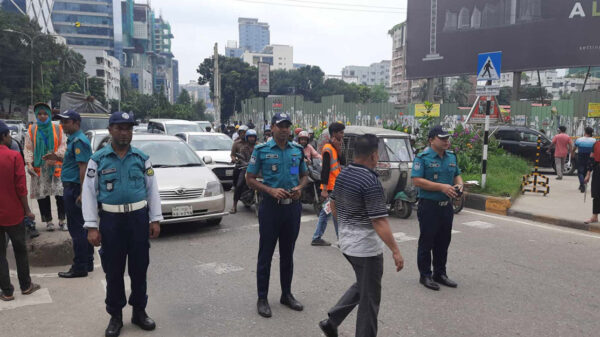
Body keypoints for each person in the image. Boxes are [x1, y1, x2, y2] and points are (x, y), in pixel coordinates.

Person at [82, 111, 162, 337]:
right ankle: (115, 316)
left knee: (139, 268)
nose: (125, 132)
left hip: (138, 219)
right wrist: (91, 226)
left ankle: (139, 311)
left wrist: (155, 219)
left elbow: (152, 190)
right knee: (113, 271)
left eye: (129, 128)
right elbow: (88, 194)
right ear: (110, 130)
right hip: (111, 221)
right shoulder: (98, 159)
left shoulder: (141, 158)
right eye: (120, 128)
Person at [318, 134, 404, 337]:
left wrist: (346, 229)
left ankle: (332, 322)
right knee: (369, 301)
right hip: (366, 251)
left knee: (363, 285)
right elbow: (379, 221)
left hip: (347, 245)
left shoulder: (343, 174)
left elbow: (333, 204)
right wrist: (396, 250)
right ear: (374, 155)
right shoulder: (370, 181)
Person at [246, 112, 308, 318]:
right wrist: (270, 190)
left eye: (287, 126)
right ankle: (262, 298)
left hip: (292, 209)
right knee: (266, 254)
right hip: (271, 208)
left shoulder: (297, 150)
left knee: (287, 253)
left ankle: (286, 294)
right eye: (280, 125)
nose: (284, 129)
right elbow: (250, 178)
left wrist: (300, 187)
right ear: (272, 127)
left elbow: (305, 175)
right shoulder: (261, 150)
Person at [44, 110, 95, 278]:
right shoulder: (73, 140)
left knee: (77, 229)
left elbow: (83, 168)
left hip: (74, 188)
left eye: (66, 122)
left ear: (76, 123)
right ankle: (87, 262)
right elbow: (74, 162)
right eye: (62, 122)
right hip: (73, 187)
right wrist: (57, 158)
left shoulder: (79, 141)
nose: (62, 125)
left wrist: (82, 192)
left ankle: (80, 266)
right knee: (82, 226)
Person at [411, 125, 463, 291]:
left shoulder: (451, 157)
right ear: (431, 140)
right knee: (427, 241)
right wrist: (441, 187)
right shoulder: (422, 157)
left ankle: (440, 273)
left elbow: (457, 175)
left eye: (447, 138)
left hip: (446, 207)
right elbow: (417, 181)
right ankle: (425, 275)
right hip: (429, 206)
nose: (446, 141)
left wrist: (459, 186)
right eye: (442, 138)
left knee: (443, 241)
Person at [0, 121, 41, 301]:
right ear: (3, 136)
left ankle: (7, 291)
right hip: (13, 213)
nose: (10, 137)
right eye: (8, 134)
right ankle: (26, 286)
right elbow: (20, 188)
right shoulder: (14, 156)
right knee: (19, 250)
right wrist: (27, 211)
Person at [24, 102, 67, 231]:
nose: (42, 116)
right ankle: (48, 221)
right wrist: (29, 163)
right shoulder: (31, 130)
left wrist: (55, 156)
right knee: (43, 195)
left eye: (45, 114)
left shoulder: (58, 128)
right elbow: (28, 148)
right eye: (40, 114)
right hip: (40, 168)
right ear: (37, 115)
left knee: (60, 194)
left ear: (49, 114)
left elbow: (63, 144)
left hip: (55, 166)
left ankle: (62, 220)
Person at [312, 122, 345, 246]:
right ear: (335, 133)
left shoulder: (336, 146)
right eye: (341, 132)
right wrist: (324, 189)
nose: (342, 135)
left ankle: (320, 237)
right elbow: (325, 171)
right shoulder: (327, 148)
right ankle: (317, 237)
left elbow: (343, 161)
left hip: (336, 185)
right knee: (328, 212)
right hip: (330, 186)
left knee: (331, 212)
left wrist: (339, 149)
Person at [230, 129, 257, 214]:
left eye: (253, 137)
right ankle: (234, 205)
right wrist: (244, 163)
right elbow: (241, 158)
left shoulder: (258, 147)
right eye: (250, 137)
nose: (252, 139)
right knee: (239, 184)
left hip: (257, 169)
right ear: (247, 138)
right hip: (246, 169)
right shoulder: (243, 148)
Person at [574, 127, 595, 192]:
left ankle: (582, 184)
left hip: (581, 157)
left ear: (585, 132)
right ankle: (582, 184)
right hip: (590, 158)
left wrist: (572, 153)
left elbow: (574, 148)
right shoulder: (594, 140)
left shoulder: (579, 140)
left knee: (580, 172)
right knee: (586, 171)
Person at [584, 140, 600, 224]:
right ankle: (594, 217)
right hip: (598, 170)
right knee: (596, 194)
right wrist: (588, 174)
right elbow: (592, 159)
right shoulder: (596, 144)